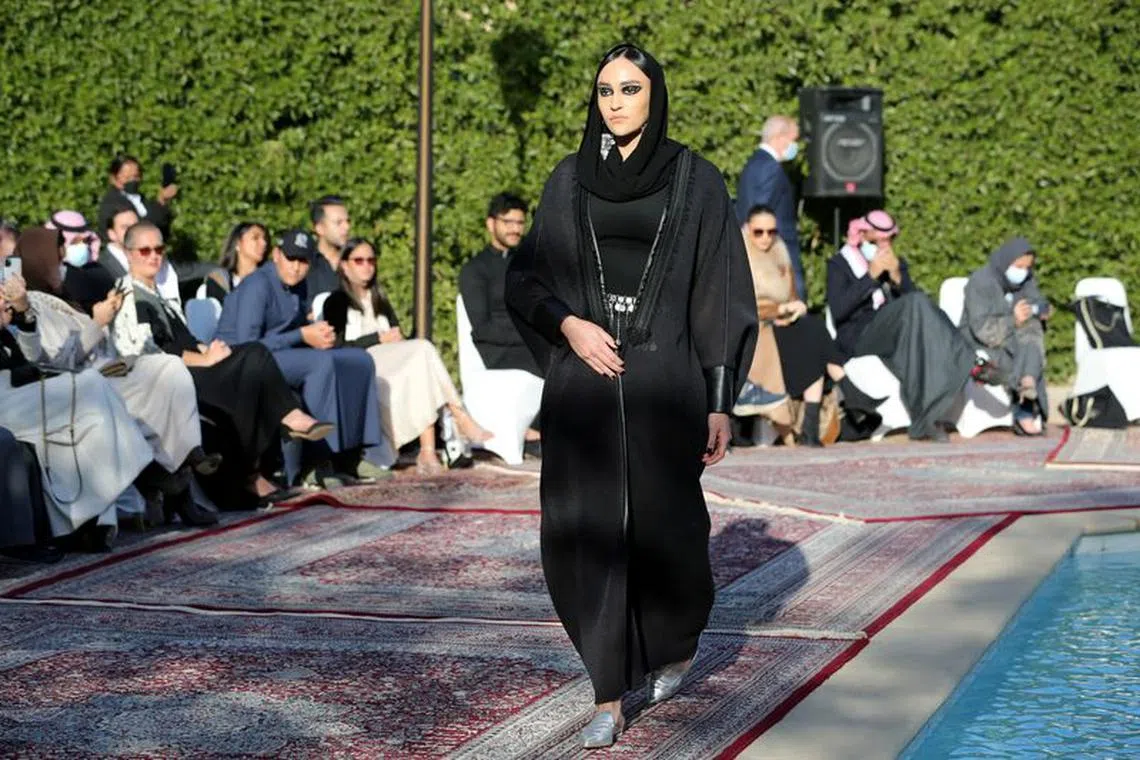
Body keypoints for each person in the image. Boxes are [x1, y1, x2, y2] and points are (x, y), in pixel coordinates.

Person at [504, 44, 757, 748]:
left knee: (669, 536)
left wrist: (718, 398)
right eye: (605, 90)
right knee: (581, 536)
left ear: (655, 95)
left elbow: (721, 293)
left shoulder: (697, 180)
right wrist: (571, 327)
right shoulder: (567, 182)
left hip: (665, 384)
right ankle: (608, 693)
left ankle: (674, 643)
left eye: (630, 89)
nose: (615, 101)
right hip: (582, 388)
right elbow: (524, 281)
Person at [111, 220, 336, 502]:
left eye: (159, 249)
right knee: (254, 357)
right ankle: (281, 429)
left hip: (192, 367)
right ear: (128, 252)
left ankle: (253, 472)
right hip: (170, 379)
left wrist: (209, 349)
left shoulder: (159, 295)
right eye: (145, 251)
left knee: (252, 362)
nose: (154, 256)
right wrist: (204, 360)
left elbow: (186, 339)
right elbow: (149, 353)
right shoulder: (131, 298)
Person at [11, 227, 218, 525]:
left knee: (169, 367)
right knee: (156, 398)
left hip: (110, 372)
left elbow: (101, 346)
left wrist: (104, 322)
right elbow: (56, 361)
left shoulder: (63, 298)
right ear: (39, 261)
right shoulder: (29, 308)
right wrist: (98, 322)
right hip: (82, 388)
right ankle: (176, 486)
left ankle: (189, 453)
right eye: (56, 260)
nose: (62, 265)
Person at [214, 228, 387, 486]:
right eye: (291, 258)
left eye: (303, 261)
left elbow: (295, 330)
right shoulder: (257, 286)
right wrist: (302, 336)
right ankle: (316, 460)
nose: (296, 267)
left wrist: (319, 335)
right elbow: (248, 346)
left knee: (359, 360)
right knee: (321, 363)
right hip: (246, 362)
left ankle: (351, 454)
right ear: (276, 255)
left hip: (281, 355)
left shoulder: (298, 286)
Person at [1, 277, 154, 547]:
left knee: (93, 419)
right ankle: (154, 475)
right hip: (7, 401)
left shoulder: (17, 318)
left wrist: (23, 315)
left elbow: (31, 357)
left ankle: (93, 523)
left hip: (21, 391)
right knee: (90, 385)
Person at [323, 238, 492, 473]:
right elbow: (335, 348)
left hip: (394, 368)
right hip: (364, 367)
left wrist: (394, 340)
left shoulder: (380, 300)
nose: (366, 266)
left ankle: (428, 452)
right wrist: (377, 339)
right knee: (422, 349)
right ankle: (458, 415)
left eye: (371, 260)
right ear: (344, 265)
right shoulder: (336, 302)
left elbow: (398, 336)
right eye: (359, 260)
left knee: (420, 360)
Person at [827, 210, 994, 441]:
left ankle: (925, 420)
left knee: (920, 319)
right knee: (916, 302)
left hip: (900, 335)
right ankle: (969, 358)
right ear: (862, 236)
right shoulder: (839, 264)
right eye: (877, 241)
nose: (884, 246)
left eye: (889, 240)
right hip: (860, 336)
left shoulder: (896, 264)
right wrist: (870, 277)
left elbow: (919, 308)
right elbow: (839, 311)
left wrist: (897, 277)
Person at [740, 205, 881, 445]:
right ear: (747, 231)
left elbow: (792, 296)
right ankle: (849, 399)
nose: (766, 238)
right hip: (758, 329)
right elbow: (739, 304)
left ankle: (814, 428)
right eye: (759, 232)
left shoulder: (780, 255)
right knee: (813, 333)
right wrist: (778, 310)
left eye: (771, 231)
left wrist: (796, 306)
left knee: (812, 331)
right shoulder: (740, 259)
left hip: (784, 326)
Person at [962, 236, 1050, 435]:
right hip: (980, 345)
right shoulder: (981, 282)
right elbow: (982, 330)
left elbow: (1036, 300)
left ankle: (1027, 382)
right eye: (1019, 266)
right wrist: (1013, 320)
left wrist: (1041, 309)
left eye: (1027, 267)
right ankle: (1026, 398)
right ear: (1006, 262)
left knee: (1032, 326)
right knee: (1024, 356)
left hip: (1013, 341)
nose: (1023, 272)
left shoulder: (1025, 280)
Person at [736, 115, 805, 298]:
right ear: (779, 137)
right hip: (776, 245)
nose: (794, 146)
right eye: (793, 140)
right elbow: (760, 211)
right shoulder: (770, 167)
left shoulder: (754, 162)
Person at [96, 154, 176, 242]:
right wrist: (160, 200)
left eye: (135, 176)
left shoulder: (141, 199)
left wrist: (163, 202)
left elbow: (162, 225)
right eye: (126, 177)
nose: (132, 181)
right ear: (114, 178)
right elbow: (140, 226)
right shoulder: (112, 202)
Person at [203, 222, 269, 301]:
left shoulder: (271, 279)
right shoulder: (220, 280)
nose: (264, 243)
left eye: (264, 239)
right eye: (255, 238)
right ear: (238, 243)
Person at [305, 195, 351, 301]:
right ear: (320, 228)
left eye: (348, 221)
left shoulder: (357, 261)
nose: (347, 227)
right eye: (338, 222)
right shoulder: (305, 264)